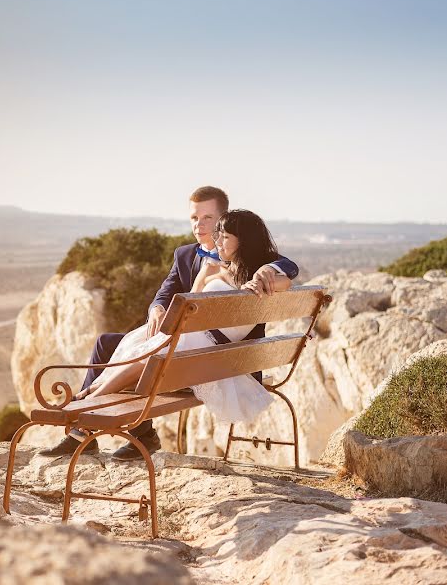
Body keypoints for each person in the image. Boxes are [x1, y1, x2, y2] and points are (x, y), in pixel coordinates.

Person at [39, 187, 299, 460]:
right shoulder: (185, 255)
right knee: (109, 343)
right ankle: (134, 434)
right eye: (194, 218)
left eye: (208, 218)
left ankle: (83, 422)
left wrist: (268, 269)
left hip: (212, 358)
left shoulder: (256, 263)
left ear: (224, 219)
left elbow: (288, 267)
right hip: (187, 344)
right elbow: (166, 292)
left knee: (146, 354)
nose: (199, 225)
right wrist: (156, 309)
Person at [75, 210, 287, 425]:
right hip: (201, 345)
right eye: (218, 236)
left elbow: (285, 283)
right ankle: (95, 393)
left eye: (225, 237)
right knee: (150, 351)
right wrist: (204, 277)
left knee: (154, 355)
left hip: (208, 351)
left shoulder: (257, 274)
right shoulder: (219, 269)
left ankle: (91, 401)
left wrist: (261, 280)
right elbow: (189, 302)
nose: (218, 242)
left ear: (245, 241)